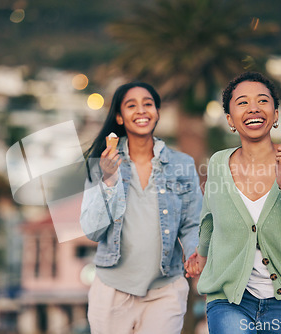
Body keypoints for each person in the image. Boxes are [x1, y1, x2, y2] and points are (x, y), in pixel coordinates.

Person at [185, 72, 281, 334]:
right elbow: (209, 219)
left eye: (262, 101)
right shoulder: (218, 162)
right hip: (228, 299)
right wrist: (202, 256)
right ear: (229, 119)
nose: (253, 108)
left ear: (275, 114)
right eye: (242, 102)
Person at [80, 81, 202, 334]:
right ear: (119, 117)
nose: (141, 110)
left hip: (165, 289)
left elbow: (192, 223)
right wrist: (109, 181)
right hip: (111, 289)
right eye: (131, 105)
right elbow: (92, 231)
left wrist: (193, 252)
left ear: (157, 112)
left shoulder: (182, 164)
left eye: (148, 104)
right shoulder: (101, 164)